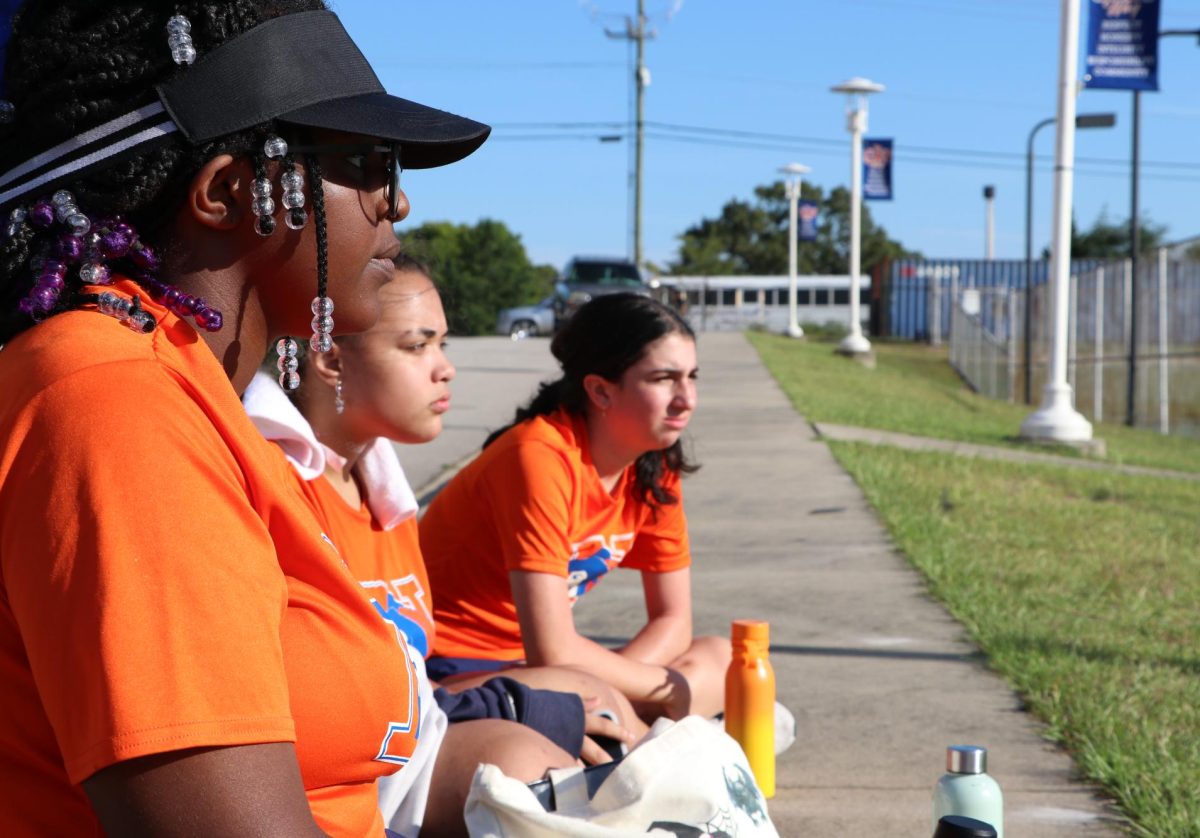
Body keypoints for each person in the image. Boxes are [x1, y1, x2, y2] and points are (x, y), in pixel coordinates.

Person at [0, 2, 498, 834]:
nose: (396, 202)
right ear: (230, 191)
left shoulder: (184, 386)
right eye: (367, 161)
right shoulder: (117, 408)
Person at [242, 257, 640, 835]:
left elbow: (407, 674)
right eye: (416, 346)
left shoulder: (383, 490)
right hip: (331, 785)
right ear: (330, 359)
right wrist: (506, 708)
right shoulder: (270, 481)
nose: (445, 369)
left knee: (594, 704)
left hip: (406, 739)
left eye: (443, 344)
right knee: (532, 759)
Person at [420, 293, 732, 721]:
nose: (687, 398)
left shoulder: (653, 466)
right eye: (663, 379)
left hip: (547, 669)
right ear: (601, 390)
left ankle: (627, 726)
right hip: (455, 672)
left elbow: (674, 621)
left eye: (691, 377)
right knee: (601, 695)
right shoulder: (537, 455)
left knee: (725, 659)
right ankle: (637, 729)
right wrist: (664, 692)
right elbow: (553, 648)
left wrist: (640, 689)